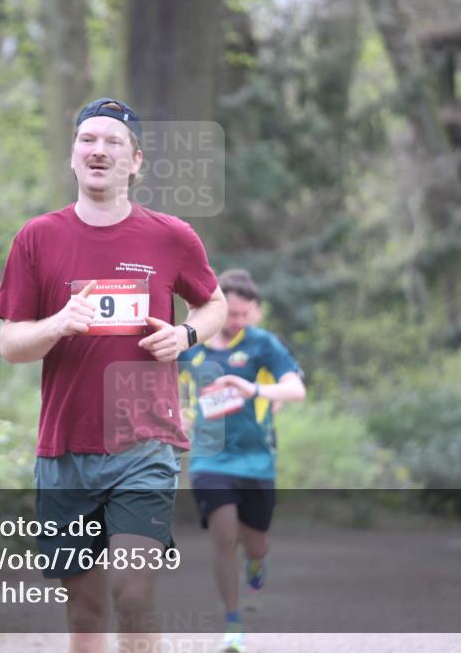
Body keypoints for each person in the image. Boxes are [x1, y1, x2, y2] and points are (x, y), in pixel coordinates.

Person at [0, 97, 227, 653]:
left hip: (144, 442)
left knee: (131, 593)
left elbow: (213, 303)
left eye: (113, 142)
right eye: (87, 140)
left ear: (136, 161)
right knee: (86, 610)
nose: (99, 150)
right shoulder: (37, 239)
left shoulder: (171, 237)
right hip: (65, 448)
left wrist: (186, 336)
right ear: (73, 156)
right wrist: (57, 324)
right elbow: (11, 345)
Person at [179, 269, 305, 653]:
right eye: (229, 313)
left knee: (255, 543)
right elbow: (168, 392)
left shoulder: (263, 344)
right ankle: (233, 625)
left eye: (242, 314)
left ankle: (256, 562)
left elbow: (296, 389)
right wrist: (178, 422)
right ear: (212, 308)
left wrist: (252, 388)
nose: (235, 322)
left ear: (252, 312)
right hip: (209, 458)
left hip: (256, 461)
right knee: (223, 534)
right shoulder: (191, 347)